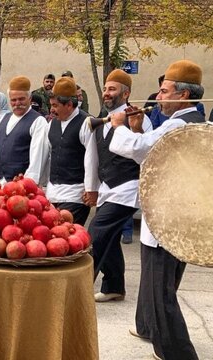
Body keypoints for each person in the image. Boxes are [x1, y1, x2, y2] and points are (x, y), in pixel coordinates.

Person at [109, 59, 204, 360]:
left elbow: (137, 150)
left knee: (160, 291)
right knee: (161, 284)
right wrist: (138, 129)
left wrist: (119, 127)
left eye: (164, 91)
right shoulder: (200, 122)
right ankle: (149, 328)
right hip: (182, 221)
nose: (158, 97)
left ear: (183, 95)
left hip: (166, 221)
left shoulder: (178, 124)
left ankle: (178, 353)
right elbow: (153, 158)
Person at [89, 69, 152, 303]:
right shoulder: (100, 121)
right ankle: (114, 286)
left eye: (112, 89)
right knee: (111, 239)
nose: (107, 93)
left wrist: (135, 127)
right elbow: (94, 158)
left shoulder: (137, 116)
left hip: (127, 188)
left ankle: (79, 286)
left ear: (126, 94)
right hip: (107, 189)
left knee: (95, 234)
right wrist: (92, 187)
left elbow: (145, 151)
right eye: (106, 89)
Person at [45, 77, 99, 226]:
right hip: (52, 195)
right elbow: (49, 157)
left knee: (66, 238)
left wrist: (91, 189)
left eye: (55, 105)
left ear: (69, 105)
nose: (52, 110)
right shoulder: (51, 124)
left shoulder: (86, 123)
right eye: (51, 105)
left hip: (75, 196)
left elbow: (92, 158)